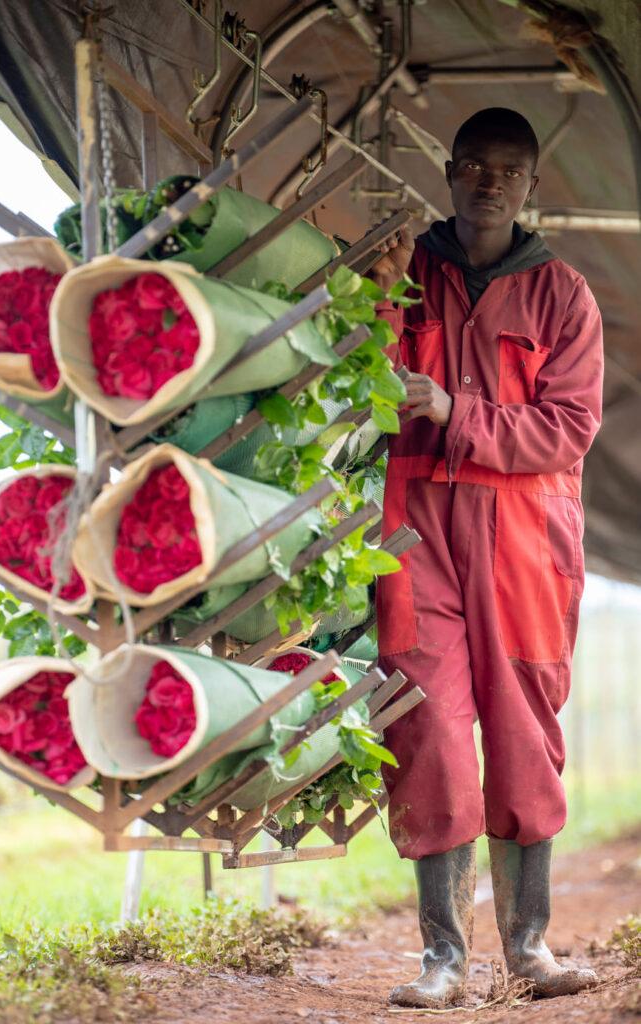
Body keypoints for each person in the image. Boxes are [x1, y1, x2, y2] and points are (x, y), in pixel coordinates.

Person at [370, 107, 604, 1008]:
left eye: (508, 170)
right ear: (449, 171)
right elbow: (354, 372)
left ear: (531, 185)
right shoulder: (404, 272)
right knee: (425, 725)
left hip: (524, 538)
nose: (489, 181)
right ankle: (441, 958)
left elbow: (571, 427)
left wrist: (453, 412)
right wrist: (376, 298)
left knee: (522, 732)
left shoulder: (563, 294)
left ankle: (529, 948)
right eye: (473, 164)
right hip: (417, 527)